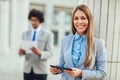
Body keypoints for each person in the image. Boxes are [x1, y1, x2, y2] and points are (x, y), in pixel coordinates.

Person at [50, 4, 107, 80]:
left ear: (89, 20)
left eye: (83, 18)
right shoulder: (65, 40)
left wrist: (81, 73)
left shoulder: (98, 44)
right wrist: (57, 70)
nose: (79, 22)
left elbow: (102, 73)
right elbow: (62, 64)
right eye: (76, 18)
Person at [19, 9, 53, 80]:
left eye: (35, 20)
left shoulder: (48, 35)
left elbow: (50, 53)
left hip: (41, 70)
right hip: (27, 69)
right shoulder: (25, 34)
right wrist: (21, 52)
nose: (33, 22)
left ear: (40, 21)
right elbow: (21, 50)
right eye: (32, 20)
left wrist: (40, 52)